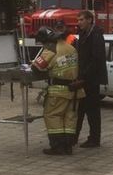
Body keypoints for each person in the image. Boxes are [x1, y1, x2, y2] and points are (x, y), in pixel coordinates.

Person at [32, 26, 84, 155]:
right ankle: (68, 146)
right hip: (74, 90)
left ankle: (57, 147)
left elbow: (36, 67)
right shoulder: (70, 47)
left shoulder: (51, 49)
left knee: (52, 116)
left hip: (58, 91)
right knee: (70, 117)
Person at [74, 10, 107, 148]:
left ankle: (94, 138)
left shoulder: (95, 34)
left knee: (92, 110)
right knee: (80, 109)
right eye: (78, 20)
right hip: (83, 78)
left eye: (81, 19)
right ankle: (74, 137)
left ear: (89, 20)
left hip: (91, 80)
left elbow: (96, 58)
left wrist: (85, 76)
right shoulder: (83, 34)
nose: (79, 22)